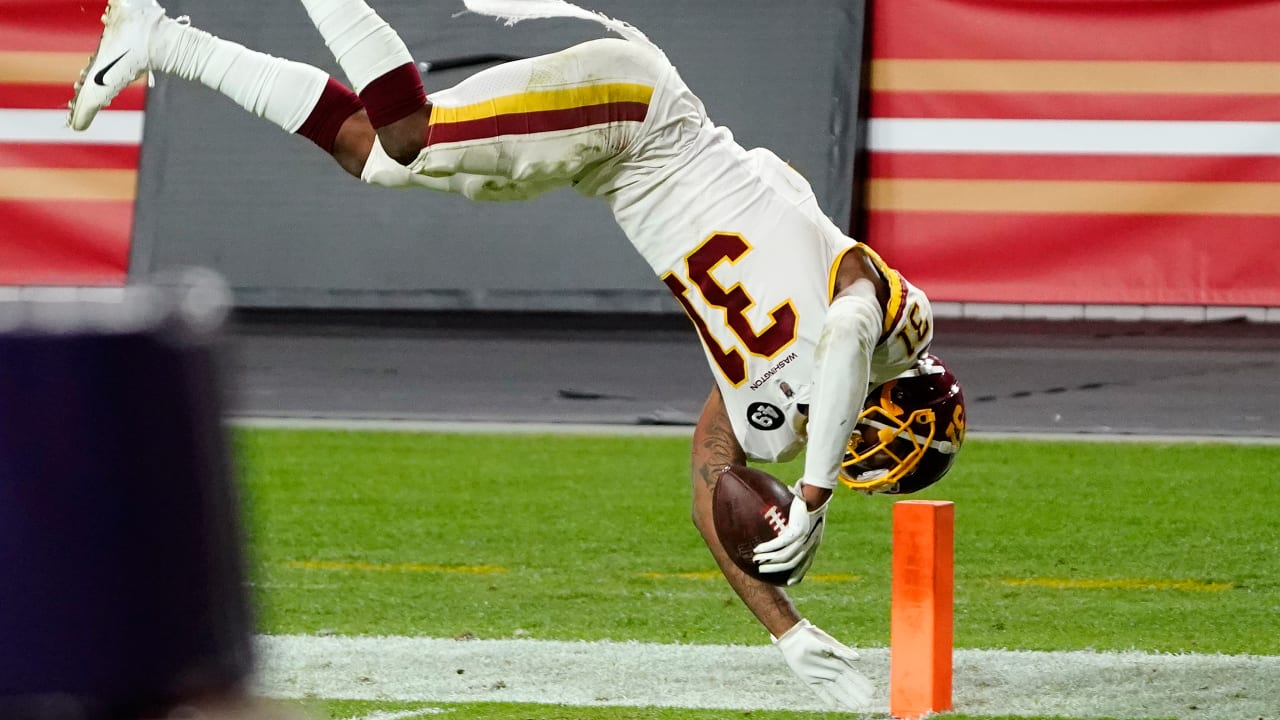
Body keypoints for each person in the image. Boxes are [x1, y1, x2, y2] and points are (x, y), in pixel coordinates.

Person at [69, 0, 967, 711]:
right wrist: (812, 494)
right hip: (638, 114)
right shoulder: (897, 325)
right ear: (891, 409)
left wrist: (789, 634)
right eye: (869, 455)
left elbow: (707, 480)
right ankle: (168, 34)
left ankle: (161, 38)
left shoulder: (773, 420)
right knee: (409, 133)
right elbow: (850, 333)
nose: (855, 462)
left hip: (604, 162)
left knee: (377, 156)